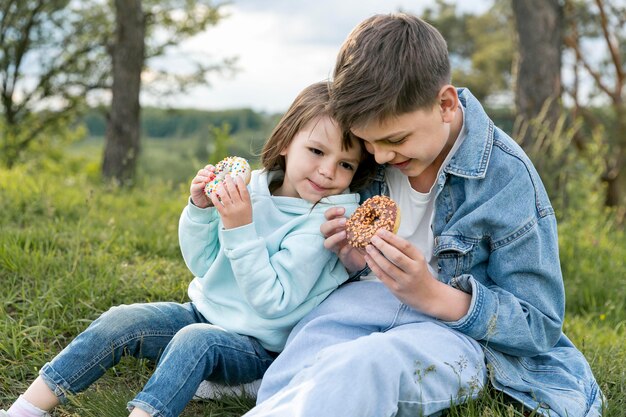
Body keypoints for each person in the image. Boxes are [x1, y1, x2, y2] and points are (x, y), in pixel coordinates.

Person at [243, 13, 603, 417]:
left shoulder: (506, 181)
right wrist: (352, 261)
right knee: (296, 365)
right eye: (367, 141)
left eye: (394, 140)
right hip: (364, 302)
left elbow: (539, 323)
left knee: (371, 364)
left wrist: (431, 295)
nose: (378, 157)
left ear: (445, 104)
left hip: (451, 330)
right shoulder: (374, 152)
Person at [0, 81, 375, 417]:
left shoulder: (325, 221)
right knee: (120, 319)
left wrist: (240, 227)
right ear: (286, 142)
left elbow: (273, 302)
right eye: (316, 150)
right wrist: (200, 212)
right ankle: (28, 408)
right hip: (202, 312)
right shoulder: (253, 187)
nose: (328, 171)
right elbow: (203, 263)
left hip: (258, 346)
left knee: (194, 341)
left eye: (345, 163)